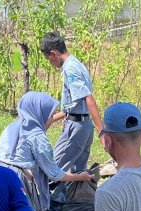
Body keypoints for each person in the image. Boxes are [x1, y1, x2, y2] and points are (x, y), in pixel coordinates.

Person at [0, 91, 94, 211]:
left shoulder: (13, 126)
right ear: (40, 114)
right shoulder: (37, 137)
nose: (52, 119)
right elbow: (54, 173)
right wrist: (79, 177)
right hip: (14, 180)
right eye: (50, 115)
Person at [40, 32, 103, 172]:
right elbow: (73, 106)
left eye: (47, 58)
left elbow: (88, 99)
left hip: (76, 127)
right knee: (77, 173)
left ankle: (52, 195)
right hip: (84, 125)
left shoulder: (70, 68)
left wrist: (101, 131)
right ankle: (76, 194)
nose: (49, 62)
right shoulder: (76, 64)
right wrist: (51, 119)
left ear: (53, 53)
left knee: (53, 170)